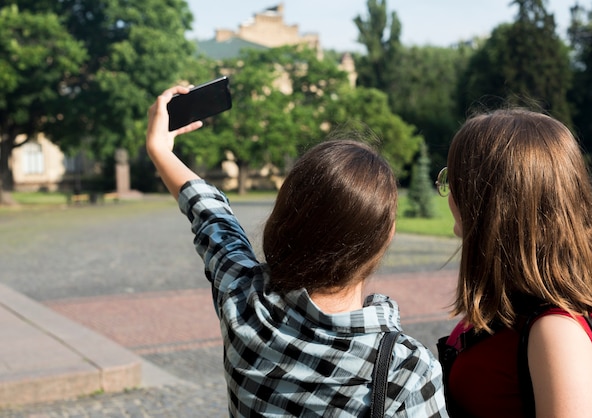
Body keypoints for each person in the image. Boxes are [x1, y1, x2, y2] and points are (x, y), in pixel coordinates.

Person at [146, 85, 448, 417]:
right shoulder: (406, 371)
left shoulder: (244, 303)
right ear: (385, 237)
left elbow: (212, 216)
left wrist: (160, 148)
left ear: (285, 218)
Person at [436, 108, 592, 418]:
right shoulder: (516, 303)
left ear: (490, 203)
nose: (449, 192)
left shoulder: (556, 332)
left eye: (454, 179)